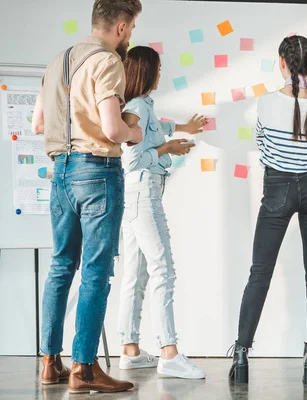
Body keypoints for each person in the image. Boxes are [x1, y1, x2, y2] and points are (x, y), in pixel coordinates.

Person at [32, 0, 143, 393]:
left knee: (61, 267)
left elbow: (38, 123)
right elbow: (113, 130)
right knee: (96, 273)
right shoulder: (108, 61)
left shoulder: (56, 63)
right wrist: (135, 132)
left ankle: (50, 363)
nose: (130, 35)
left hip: (59, 172)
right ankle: (84, 369)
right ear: (121, 27)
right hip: (96, 172)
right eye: (131, 28)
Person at [228, 35, 307, 385]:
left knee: (260, 272)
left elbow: (261, 143)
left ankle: (242, 354)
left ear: (283, 63)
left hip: (277, 188)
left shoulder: (265, 103)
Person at [116, 45, 207, 380]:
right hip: (143, 194)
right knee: (163, 271)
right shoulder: (137, 106)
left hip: (136, 196)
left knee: (135, 276)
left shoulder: (142, 106)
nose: (161, 73)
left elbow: (156, 126)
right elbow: (133, 159)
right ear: (146, 71)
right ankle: (169, 353)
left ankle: (130, 350)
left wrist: (181, 128)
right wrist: (167, 149)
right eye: (158, 68)